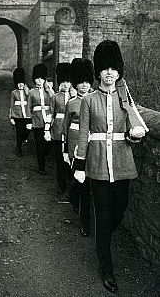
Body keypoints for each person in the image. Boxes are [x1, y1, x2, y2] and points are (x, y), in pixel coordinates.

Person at [72, 40, 147, 293]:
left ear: (118, 71)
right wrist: (79, 165)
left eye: (113, 68)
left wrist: (134, 134)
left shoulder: (126, 96)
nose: (109, 73)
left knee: (120, 209)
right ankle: (106, 268)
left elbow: (133, 126)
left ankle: (102, 239)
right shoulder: (89, 100)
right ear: (99, 72)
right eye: (104, 68)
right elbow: (83, 135)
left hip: (123, 162)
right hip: (96, 165)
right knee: (103, 218)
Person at [63, 58, 94, 236]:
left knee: (86, 184)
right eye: (81, 82)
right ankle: (85, 223)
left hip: (94, 145)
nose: (84, 86)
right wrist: (66, 150)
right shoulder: (71, 103)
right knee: (82, 184)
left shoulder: (96, 100)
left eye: (87, 82)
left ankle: (73, 196)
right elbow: (65, 128)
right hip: (76, 146)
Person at [50, 63, 75, 193]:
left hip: (70, 131)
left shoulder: (74, 97)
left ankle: (70, 182)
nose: (65, 84)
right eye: (63, 82)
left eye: (68, 82)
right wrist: (48, 130)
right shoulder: (55, 97)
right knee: (60, 159)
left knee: (70, 158)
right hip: (58, 130)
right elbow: (51, 114)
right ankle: (61, 184)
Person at [26, 63, 54, 174]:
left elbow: (54, 101)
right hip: (37, 121)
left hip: (48, 121)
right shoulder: (32, 92)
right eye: (37, 78)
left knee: (49, 143)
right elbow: (28, 107)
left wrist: (50, 90)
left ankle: (45, 154)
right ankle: (41, 166)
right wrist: (29, 120)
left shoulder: (48, 91)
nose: (39, 81)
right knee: (39, 145)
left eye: (42, 78)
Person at [9, 67, 30, 156]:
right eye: (18, 83)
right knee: (18, 132)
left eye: (22, 83)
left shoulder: (27, 91)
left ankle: (23, 139)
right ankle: (19, 149)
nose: (20, 85)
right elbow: (12, 104)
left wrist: (26, 90)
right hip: (17, 115)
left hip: (26, 114)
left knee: (27, 130)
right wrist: (11, 115)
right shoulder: (14, 92)